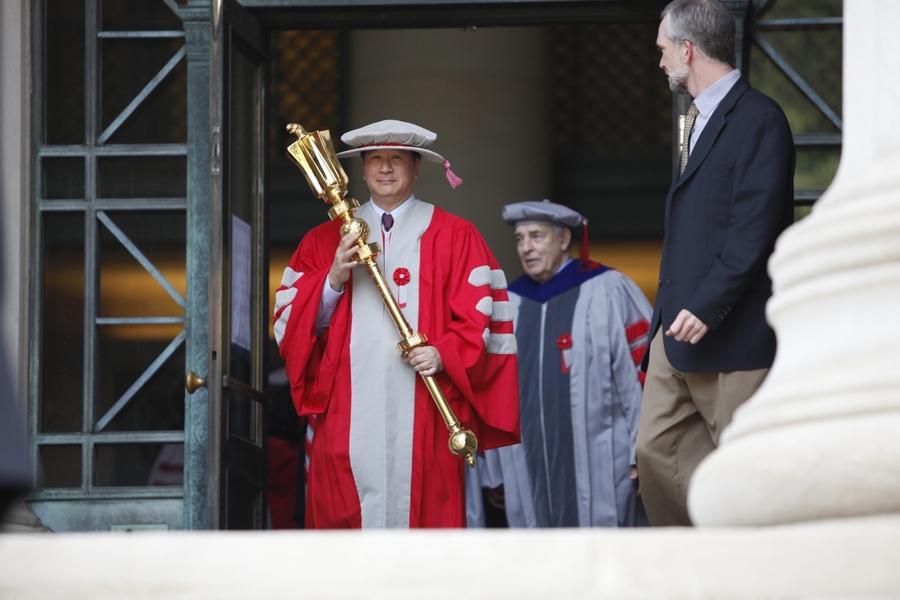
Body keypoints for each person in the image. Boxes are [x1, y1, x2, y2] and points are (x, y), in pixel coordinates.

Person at [274, 119, 520, 529]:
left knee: (426, 536)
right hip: (344, 416)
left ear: (417, 168)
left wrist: (444, 352)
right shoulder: (322, 242)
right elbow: (289, 328)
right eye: (375, 160)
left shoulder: (457, 236)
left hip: (428, 411)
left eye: (396, 159)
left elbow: (483, 321)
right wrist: (333, 278)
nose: (385, 168)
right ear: (363, 170)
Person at [636, 0, 795, 526]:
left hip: (730, 329)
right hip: (674, 329)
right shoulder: (694, 118)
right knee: (654, 453)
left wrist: (708, 303)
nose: (659, 61)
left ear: (687, 48)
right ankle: (698, 562)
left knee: (746, 468)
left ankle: (749, 566)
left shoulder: (760, 118)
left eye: (663, 49)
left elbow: (755, 226)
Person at [479, 200, 652, 527]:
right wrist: (494, 468)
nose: (526, 247)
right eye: (520, 239)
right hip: (526, 467)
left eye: (536, 236)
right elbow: (492, 391)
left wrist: (645, 452)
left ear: (563, 240)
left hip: (606, 461)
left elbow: (645, 373)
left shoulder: (609, 289)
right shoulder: (510, 303)